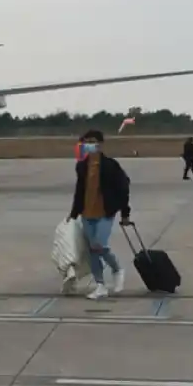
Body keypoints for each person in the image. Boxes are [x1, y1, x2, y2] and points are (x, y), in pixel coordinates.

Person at [67, 129, 131, 301]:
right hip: (87, 213)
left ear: (101, 144)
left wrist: (125, 213)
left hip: (105, 212)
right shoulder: (81, 166)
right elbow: (79, 191)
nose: (90, 144)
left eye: (93, 141)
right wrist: (73, 214)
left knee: (99, 245)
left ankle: (117, 269)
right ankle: (100, 285)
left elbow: (124, 188)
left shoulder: (111, 165)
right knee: (92, 250)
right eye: (86, 141)